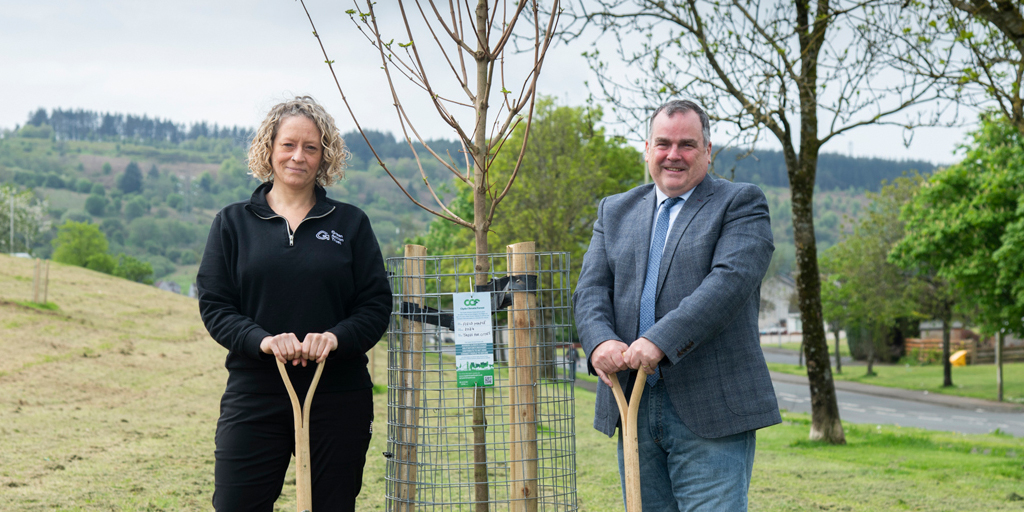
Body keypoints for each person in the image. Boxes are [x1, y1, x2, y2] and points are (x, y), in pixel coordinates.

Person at [573, 99, 779, 511]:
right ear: (647, 148)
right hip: (632, 401)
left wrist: (660, 339)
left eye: (687, 144)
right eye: (663, 143)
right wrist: (599, 343)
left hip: (711, 409)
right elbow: (590, 290)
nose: (673, 155)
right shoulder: (615, 211)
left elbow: (728, 284)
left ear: (707, 151)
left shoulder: (740, 204)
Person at [197, 96, 391, 511]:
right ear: (269, 148)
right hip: (255, 389)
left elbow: (375, 305)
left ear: (325, 156)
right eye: (288, 145)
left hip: (337, 393)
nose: (298, 157)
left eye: (311, 147)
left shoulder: (351, 223)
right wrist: (262, 341)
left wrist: (336, 339)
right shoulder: (232, 223)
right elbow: (215, 305)